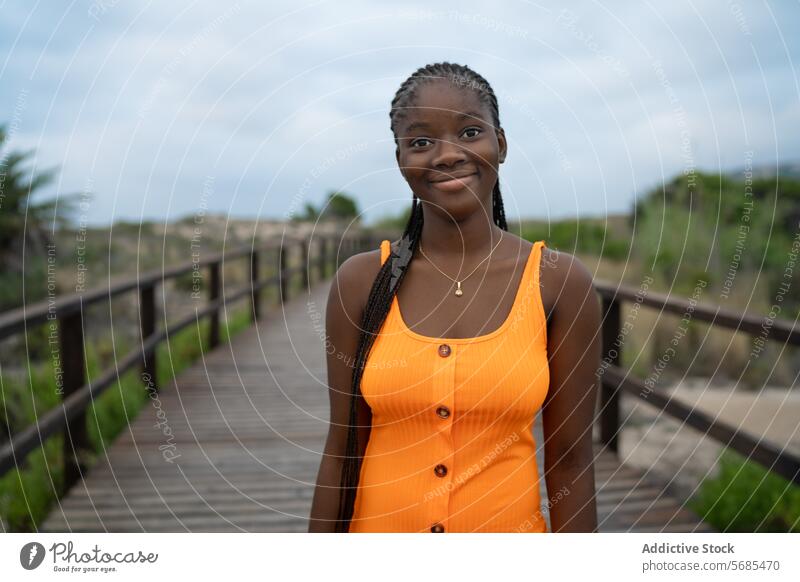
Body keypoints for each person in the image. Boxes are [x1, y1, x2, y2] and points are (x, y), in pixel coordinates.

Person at [309, 61, 601, 533]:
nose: (447, 155)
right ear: (401, 159)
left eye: (469, 132)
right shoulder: (362, 281)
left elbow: (570, 461)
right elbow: (343, 449)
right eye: (421, 142)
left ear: (500, 145)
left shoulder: (558, 282)